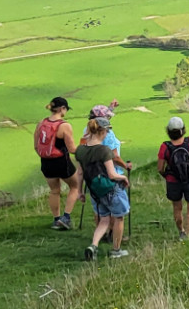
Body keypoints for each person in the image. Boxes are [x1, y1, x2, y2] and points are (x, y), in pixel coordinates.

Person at [77, 117, 133, 260]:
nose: (107, 133)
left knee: (104, 220)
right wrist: (124, 177)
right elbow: (112, 174)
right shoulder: (105, 151)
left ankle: (93, 245)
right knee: (119, 217)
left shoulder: (81, 151)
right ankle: (116, 250)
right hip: (111, 189)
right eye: (107, 130)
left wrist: (80, 192)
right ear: (101, 131)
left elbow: (80, 173)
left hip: (94, 192)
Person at [156, 113, 189, 242]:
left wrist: (167, 176)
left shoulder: (165, 147)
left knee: (177, 208)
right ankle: (187, 233)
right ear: (183, 129)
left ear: (168, 131)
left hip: (173, 182)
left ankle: (181, 231)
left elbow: (160, 168)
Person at [34, 97, 82, 230]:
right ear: (62, 109)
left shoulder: (41, 123)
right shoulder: (64, 126)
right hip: (61, 162)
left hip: (46, 162)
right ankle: (66, 217)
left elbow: (36, 146)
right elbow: (72, 149)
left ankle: (56, 219)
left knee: (54, 190)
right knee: (75, 186)